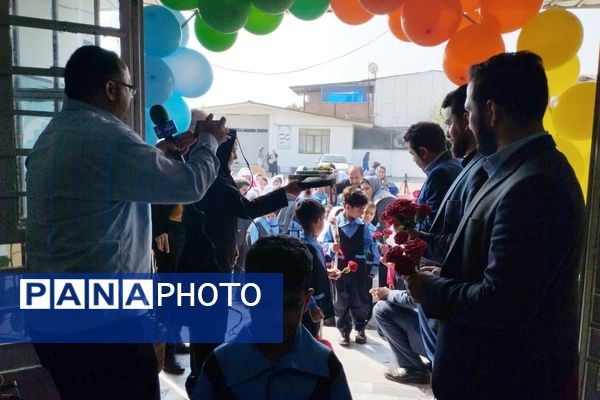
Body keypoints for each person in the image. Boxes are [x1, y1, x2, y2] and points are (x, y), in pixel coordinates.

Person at [25, 45, 227, 400]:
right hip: (101, 325)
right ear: (110, 89)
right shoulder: (107, 137)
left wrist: (160, 153)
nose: (133, 98)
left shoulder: (53, 135)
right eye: (131, 89)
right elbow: (191, 184)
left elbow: (104, 180)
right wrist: (210, 139)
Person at [406, 52, 585, 400]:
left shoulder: (536, 184)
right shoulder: (510, 172)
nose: (468, 123)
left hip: (505, 382)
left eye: (469, 112)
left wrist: (429, 289)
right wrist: (445, 271)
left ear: (491, 111)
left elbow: (503, 303)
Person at [178, 134, 302, 396]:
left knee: (205, 332)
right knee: (208, 333)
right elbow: (245, 208)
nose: (235, 156)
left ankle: (202, 381)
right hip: (207, 268)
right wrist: (286, 192)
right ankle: (205, 386)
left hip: (207, 262)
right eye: (232, 150)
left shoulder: (213, 176)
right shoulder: (215, 180)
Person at [192, 236, 352, 400]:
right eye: (267, 304)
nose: (277, 319)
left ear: (306, 301)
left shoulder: (327, 368)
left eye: (290, 305)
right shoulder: (219, 367)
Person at [323, 187, 380, 346]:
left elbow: (369, 244)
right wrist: (330, 247)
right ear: (347, 207)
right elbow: (325, 243)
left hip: (358, 268)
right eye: (360, 209)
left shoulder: (363, 225)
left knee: (360, 298)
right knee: (341, 299)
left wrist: (377, 251)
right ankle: (343, 330)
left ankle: (360, 328)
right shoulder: (334, 225)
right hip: (340, 268)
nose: (362, 213)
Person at [403, 122, 462, 232]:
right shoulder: (457, 163)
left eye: (412, 154)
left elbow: (433, 225)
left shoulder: (439, 174)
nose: (413, 159)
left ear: (423, 152)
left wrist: (406, 227)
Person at [295, 199, 339, 337]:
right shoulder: (305, 246)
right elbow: (303, 280)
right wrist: (312, 307)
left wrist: (326, 273)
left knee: (317, 333)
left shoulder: (313, 241)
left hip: (318, 298)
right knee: (310, 335)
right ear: (318, 221)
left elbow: (314, 270)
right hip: (310, 302)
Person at [371, 286, 430, 385]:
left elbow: (414, 298)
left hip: (442, 341)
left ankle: (414, 369)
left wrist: (389, 294)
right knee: (386, 310)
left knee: (381, 309)